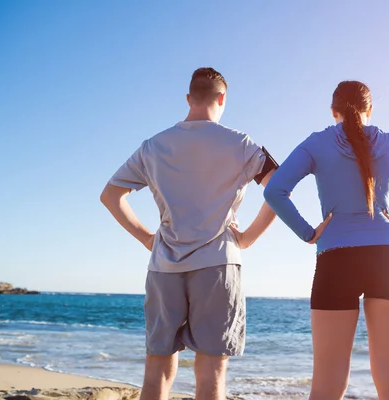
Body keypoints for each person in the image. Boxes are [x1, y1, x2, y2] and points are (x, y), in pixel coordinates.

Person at [264, 80, 389, 400]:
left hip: (335, 261)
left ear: (333, 111)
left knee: (327, 387)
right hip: (388, 261)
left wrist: (307, 232)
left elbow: (274, 191)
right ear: (370, 109)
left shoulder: (315, 144)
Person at [100, 67, 278, 400]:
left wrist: (146, 238)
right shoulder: (241, 143)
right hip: (218, 264)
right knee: (210, 373)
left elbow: (110, 196)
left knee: (156, 371)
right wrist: (249, 236)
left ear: (188, 98)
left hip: (164, 265)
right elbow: (280, 189)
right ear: (222, 98)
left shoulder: (153, 146)